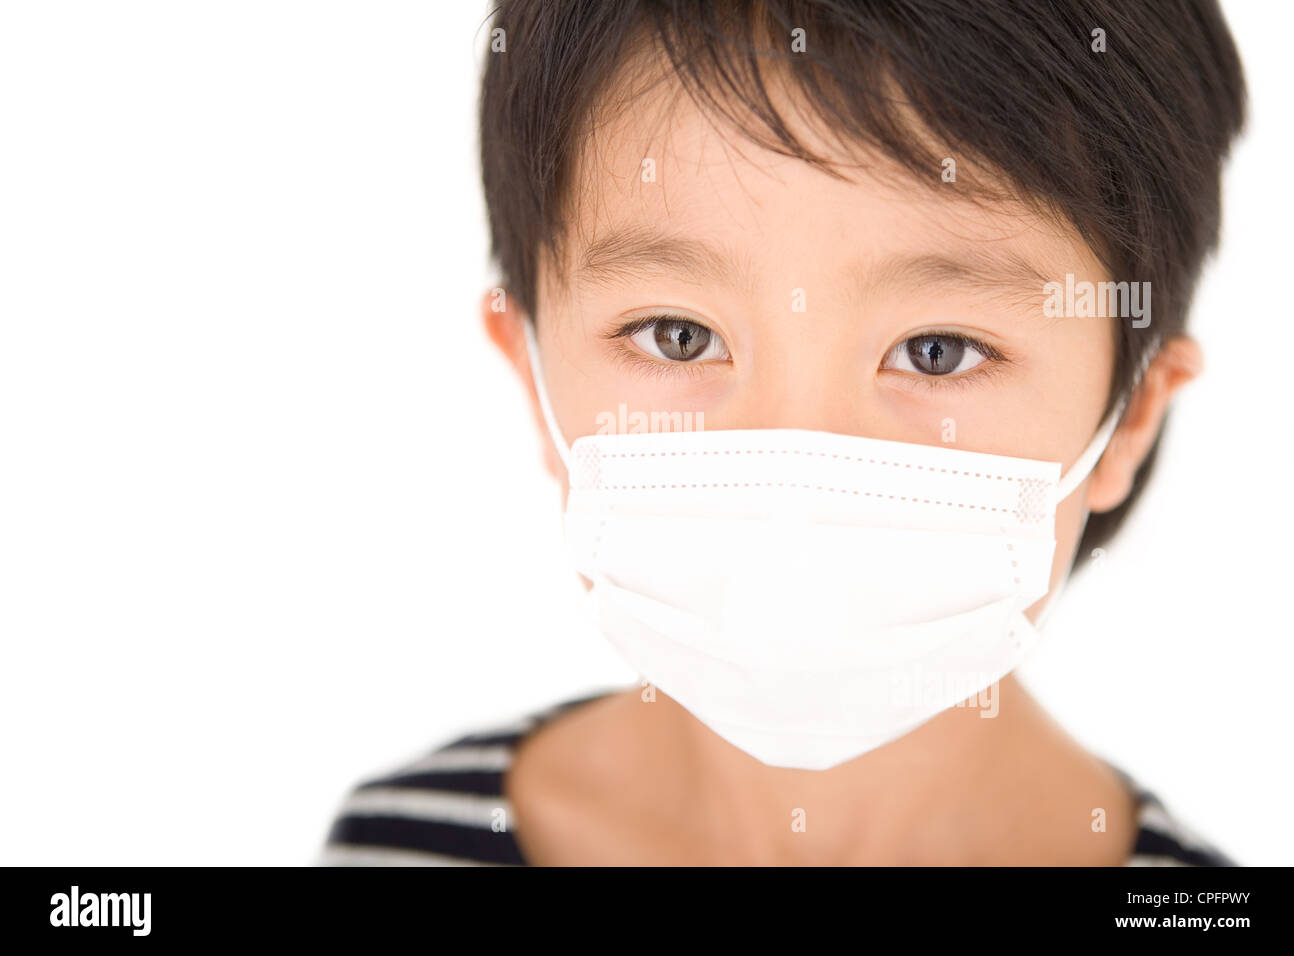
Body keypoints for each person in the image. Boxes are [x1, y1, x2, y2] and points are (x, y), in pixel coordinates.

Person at [319, 0, 1245, 866]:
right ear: (531, 378)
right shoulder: (394, 845)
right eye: (678, 337)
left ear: (1129, 417)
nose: (797, 459)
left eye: (937, 350)